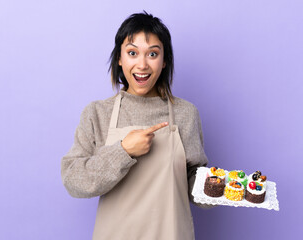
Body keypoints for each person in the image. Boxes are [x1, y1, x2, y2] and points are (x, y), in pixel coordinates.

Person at [61, 11, 209, 240]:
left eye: (152, 54)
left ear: (165, 60)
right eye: (132, 53)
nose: (142, 64)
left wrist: (220, 189)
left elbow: (194, 182)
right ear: (119, 58)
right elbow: (73, 181)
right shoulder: (97, 113)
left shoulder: (185, 113)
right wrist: (123, 151)